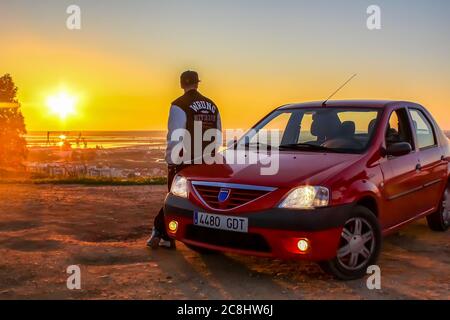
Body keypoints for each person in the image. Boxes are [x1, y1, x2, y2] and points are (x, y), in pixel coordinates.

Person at [147, 70, 222, 249]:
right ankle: (167, 234)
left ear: (181, 84)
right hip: (206, 161)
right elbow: (218, 136)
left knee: (174, 198)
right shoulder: (213, 105)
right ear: (198, 82)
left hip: (184, 161)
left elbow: (175, 136)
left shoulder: (179, 105)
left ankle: (162, 233)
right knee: (200, 200)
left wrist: (171, 160)